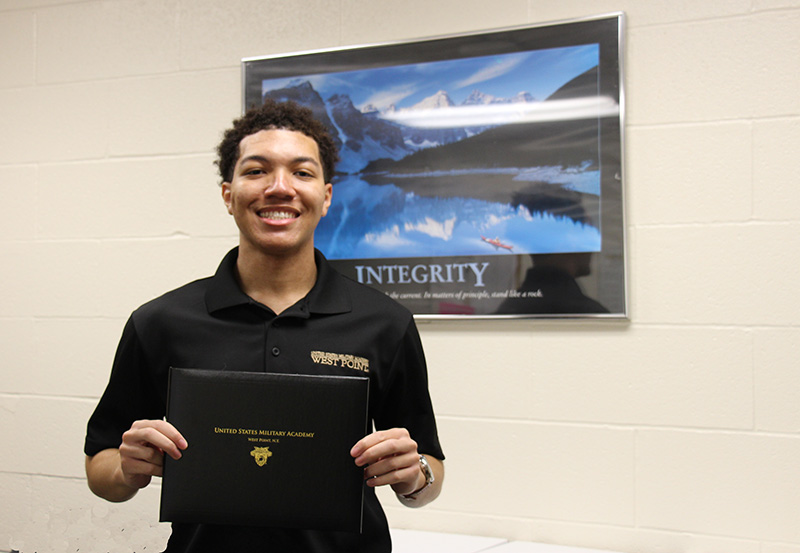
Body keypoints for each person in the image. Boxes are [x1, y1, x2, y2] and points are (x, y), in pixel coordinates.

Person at [84, 99, 445, 552]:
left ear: (326, 196)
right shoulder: (159, 322)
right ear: (228, 195)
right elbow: (100, 467)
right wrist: (125, 470)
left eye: (302, 172)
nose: (280, 187)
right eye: (256, 171)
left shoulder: (385, 323)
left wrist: (416, 476)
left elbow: (430, 471)